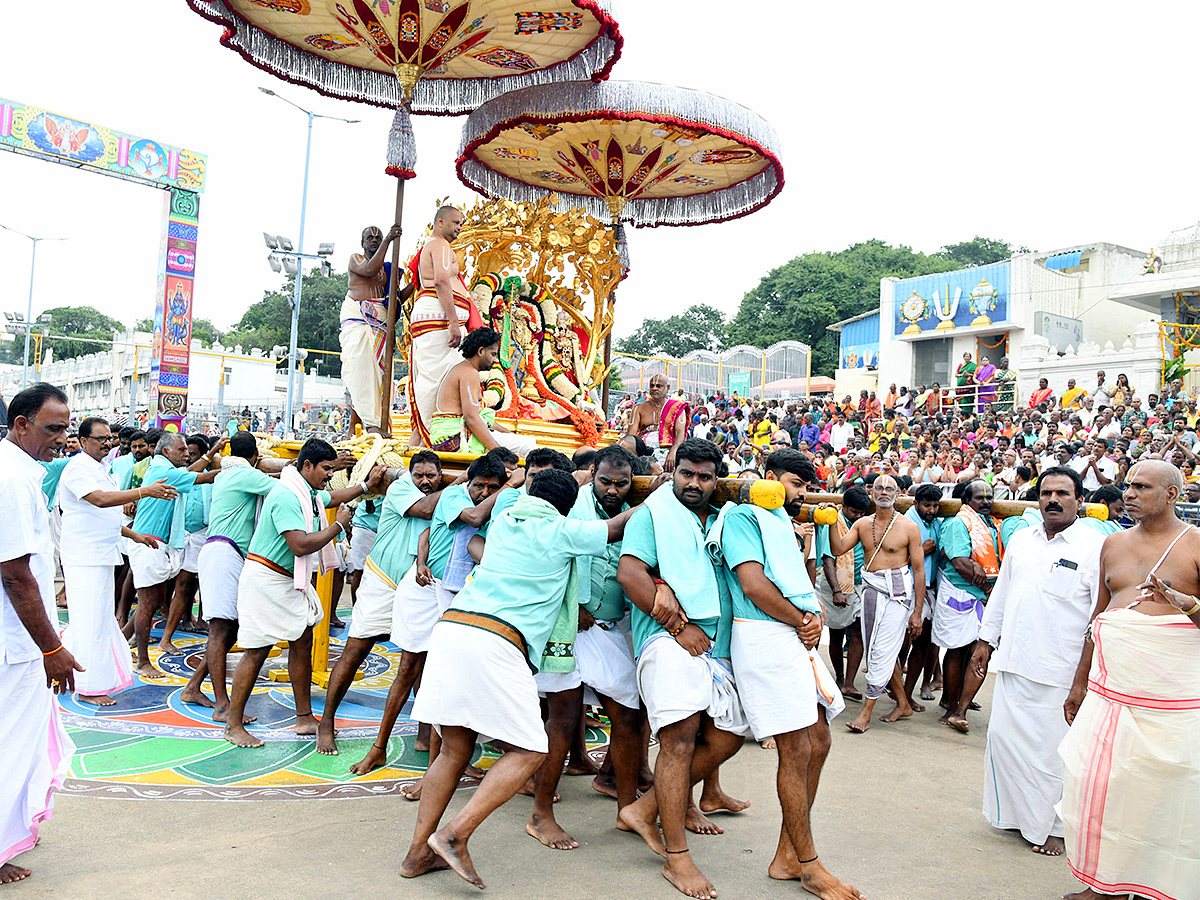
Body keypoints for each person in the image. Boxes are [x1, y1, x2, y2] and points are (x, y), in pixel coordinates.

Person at [399, 469, 633, 889]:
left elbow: (496, 504)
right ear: (564, 506)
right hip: (496, 639)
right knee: (530, 751)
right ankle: (454, 834)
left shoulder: (506, 515)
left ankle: (417, 854)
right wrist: (666, 491)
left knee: (453, 751)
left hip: (453, 628)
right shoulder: (560, 529)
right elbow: (615, 528)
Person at [615, 439, 751, 900]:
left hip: (717, 643)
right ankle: (677, 859)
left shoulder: (720, 518)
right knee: (678, 739)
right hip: (670, 637)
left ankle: (643, 809)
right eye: (687, 473)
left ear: (717, 480)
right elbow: (631, 573)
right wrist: (677, 624)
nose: (694, 483)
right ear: (673, 472)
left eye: (705, 477)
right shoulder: (653, 513)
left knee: (729, 737)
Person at [718, 450, 857, 898]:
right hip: (763, 635)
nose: (802, 494)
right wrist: (802, 620)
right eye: (796, 484)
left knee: (819, 741)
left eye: (805, 486)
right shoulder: (743, 517)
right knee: (796, 749)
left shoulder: (782, 520)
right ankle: (810, 866)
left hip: (792, 635)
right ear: (771, 479)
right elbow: (754, 585)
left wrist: (807, 619)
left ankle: (786, 856)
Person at [1060, 460, 1200, 900]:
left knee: (1164, 791)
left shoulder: (1196, 544)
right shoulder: (1113, 543)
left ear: (1172, 495)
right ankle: (1102, 886)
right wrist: (1079, 681)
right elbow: (1097, 616)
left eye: (1142, 487)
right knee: (1098, 785)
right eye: (1129, 486)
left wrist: (1187, 604)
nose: (1130, 493)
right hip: (1108, 690)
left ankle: (1159, 886)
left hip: (1172, 701)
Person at [959, 466, 1104, 858]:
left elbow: (1096, 617)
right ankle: (1018, 818)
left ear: (1080, 500)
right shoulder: (1022, 540)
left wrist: (1084, 677)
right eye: (1046, 493)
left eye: (1062, 493)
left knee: (1054, 754)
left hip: (1061, 670)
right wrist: (985, 642)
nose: (1053, 500)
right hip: (1014, 660)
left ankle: (1055, 827)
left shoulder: (1093, 547)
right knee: (1004, 742)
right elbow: (1002, 593)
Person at [222, 439, 385, 748]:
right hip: (266, 580)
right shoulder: (286, 496)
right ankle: (233, 724)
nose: (329, 475)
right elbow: (300, 545)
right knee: (257, 650)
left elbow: (332, 496)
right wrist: (338, 527)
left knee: (302, 640)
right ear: (307, 465)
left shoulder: (305, 492)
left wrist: (365, 486)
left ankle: (304, 718)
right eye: (326, 469)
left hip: (287, 581)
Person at [524, 445, 646, 851]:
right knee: (562, 719)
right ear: (592, 475)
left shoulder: (641, 508)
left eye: (621, 483)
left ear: (632, 481)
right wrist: (572, 603)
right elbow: (552, 554)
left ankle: (628, 808)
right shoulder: (573, 506)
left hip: (612, 630)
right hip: (568, 628)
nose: (612, 490)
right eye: (605, 481)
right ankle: (541, 815)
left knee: (628, 716)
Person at [0, 384, 80, 885]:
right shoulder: (12, 478)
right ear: (22, 424)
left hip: (18, 641)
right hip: (18, 646)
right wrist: (51, 648)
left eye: (65, 428)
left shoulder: (21, 473)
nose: (62, 438)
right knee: (10, 744)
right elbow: (14, 572)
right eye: (53, 428)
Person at [317, 451, 444, 758]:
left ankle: (424, 734)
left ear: (440, 477)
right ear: (409, 476)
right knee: (356, 650)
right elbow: (426, 509)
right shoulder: (401, 489)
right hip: (382, 581)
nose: (425, 481)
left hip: (419, 587)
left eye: (432, 476)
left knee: (421, 660)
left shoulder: (447, 498)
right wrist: (461, 482)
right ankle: (326, 723)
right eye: (419, 475)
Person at [58, 417, 174, 706]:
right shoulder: (77, 468)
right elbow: (98, 500)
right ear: (83, 441)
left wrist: (135, 536)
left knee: (97, 620)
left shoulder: (100, 468)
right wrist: (143, 491)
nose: (107, 443)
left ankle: (84, 675)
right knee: (89, 621)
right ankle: (86, 686)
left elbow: (103, 513)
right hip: (84, 556)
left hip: (99, 553)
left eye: (108, 438)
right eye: (100, 439)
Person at [179, 431, 289, 720]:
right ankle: (222, 706)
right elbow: (284, 486)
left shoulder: (230, 472)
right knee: (219, 630)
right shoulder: (243, 473)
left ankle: (193, 686)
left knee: (228, 632)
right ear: (255, 455)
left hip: (226, 553)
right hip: (223, 554)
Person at [824, 475, 925, 732]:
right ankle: (903, 704)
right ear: (871, 493)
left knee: (880, 651)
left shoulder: (909, 527)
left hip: (898, 594)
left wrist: (917, 612)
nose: (883, 492)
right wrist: (831, 521)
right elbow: (838, 550)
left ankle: (865, 714)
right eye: (878, 487)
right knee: (878, 651)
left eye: (889, 488)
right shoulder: (861, 524)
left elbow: (919, 571)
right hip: (871, 591)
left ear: (898, 493)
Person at [127, 433, 224, 680]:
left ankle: (119, 643)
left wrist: (211, 454)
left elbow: (191, 470)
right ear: (166, 451)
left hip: (158, 543)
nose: (185, 453)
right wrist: (238, 469)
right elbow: (201, 477)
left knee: (153, 600)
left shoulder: (166, 468)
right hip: (151, 543)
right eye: (181, 450)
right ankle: (143, 662)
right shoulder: (165, 471)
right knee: (147, 604)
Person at [408, 206, 480, 446]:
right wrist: (453, 322)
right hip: (439, 318)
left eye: (462, 223)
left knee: (437, 379)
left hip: (436, 317)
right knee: (438, 380)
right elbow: (440, 280)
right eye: (456, 222)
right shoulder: (439, 244)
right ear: (440, 222)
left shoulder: (435, 245)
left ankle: (422, 441)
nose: (459, 227)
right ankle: (430, 441)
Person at [934, 478, 998, 732]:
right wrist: (987, 588)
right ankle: (951, 705)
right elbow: (960, 563)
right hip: (960, 593)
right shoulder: (958, 523)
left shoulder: (991, 524)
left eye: (989, 497)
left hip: (983, 596)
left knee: (977, 650)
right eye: (979, 498)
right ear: (967, 501)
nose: (986, 502)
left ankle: (961, 701)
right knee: (957, 650)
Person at [428, 326, 536, 456]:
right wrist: (501, 455)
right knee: (528, 446)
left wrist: (509, 435)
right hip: (455, 438)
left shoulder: (462, 369)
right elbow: (472, 419)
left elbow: (482, 418)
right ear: (480, 351)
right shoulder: (469, 373)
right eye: (493, 354)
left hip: (449, 437)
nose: (495, 360)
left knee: (522, 443)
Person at [340, 224, 402, 433]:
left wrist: (418, 278)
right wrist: (388, 240)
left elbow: (397, 298)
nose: (374, 240)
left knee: (376, 378)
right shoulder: (356, 259)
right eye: (370, 237)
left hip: (379, 324)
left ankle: (366, 425)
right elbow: (369, 270)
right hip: (358, 318)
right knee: (361, 374)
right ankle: (371, 424)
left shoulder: (387, 271)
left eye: (378, 237)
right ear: (362, 243)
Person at [159, 434, 214, 650]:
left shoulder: (209, 476)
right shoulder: (179, 474)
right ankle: (166, 632)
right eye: (184, 453)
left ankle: (191, 621)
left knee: (192, 583)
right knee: (171, 584)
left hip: (202, 533)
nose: (187, 457)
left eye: (192, 454)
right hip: (179, 534)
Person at [815, 487, 868, 699]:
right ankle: (838, 677)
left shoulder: (865, 523)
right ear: (843, 506)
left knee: (858, 634)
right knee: (836, 633)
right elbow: (827, 558)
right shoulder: (831, 521)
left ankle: (849, 683)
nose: (859, 516)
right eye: (854, 512)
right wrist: (837, 591)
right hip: (834, 584)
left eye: (862, 513)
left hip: (859, 583)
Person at [903, 483, 942, 706]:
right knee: (900, 645)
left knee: (923, 644)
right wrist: (922, 551)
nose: (931, 510)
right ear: (916, 503)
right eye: (927, 505)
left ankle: (907, 695)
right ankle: (898, 691)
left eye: (936, 506)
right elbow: (892, 563)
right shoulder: (905, 523)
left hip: (929, 590)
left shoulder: (936, 523)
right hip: (905, 590)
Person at [626, 374, 690, 472]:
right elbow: (631, 436)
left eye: (658, 386)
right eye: (652, 386)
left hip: (669, 452)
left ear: (667, 388)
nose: (654, 388)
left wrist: (673, 452)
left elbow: (680, 434)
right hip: (644, 453)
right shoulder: (638, 408)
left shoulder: (677, 407)